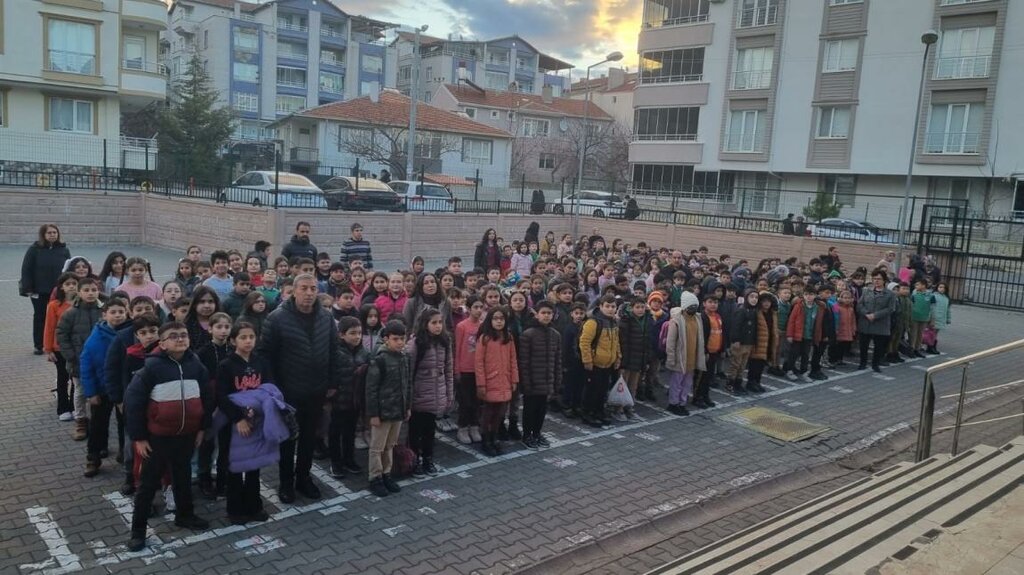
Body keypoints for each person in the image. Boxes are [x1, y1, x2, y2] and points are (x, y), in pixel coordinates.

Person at [124, 322, 212, 552]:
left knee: (182, 477)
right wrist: (139, 437)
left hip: (187, 435)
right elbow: (133, 403)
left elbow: (207, 397)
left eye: (184, 335)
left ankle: (185, 515)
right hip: (157, 438)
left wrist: (202, 427)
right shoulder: (151, 369)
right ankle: (138, 531)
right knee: (148, 484)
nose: (180, 339)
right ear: (162, 343)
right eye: (173, 336)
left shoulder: (196, 365)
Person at [257, 273, 344, 503]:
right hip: (288, 393)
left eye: (313, 288)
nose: (308, 293)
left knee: (308, 439)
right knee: (287, 440)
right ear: (294, 291)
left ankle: (303, 478)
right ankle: (286, 483)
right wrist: (274, 390)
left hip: (316, 390)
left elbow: (334, 352)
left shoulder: (326, 317)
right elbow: (265, 357)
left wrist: (333, 383)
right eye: (304, 288)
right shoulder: (276, 319)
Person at [215, 321, 277, 525]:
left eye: (251, 337)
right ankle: (235, 509)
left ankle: (254, 505)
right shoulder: (226, 365)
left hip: (256, 420)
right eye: (243, 337)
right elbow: (222, 396)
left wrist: (259, 410)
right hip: (233, 423)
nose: (248, 341)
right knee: (234, 466)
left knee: (254, 465)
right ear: (233, 340)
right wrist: (239, 417)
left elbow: (268, 388)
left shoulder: (261, 362)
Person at [80, 297, 130, 477]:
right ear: (104, 314)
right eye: (113, 312)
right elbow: (86, 365)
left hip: (124, 389)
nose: (117, 316)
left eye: (121, 312)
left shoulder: (130, 333)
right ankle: (93, 457)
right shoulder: (96, 337)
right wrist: (91, 392)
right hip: (101, 389)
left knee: (125, 423)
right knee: (98, 424)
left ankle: (125, 453)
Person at [365, 320, 412, 497]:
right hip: (382, 412)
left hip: (398, 410)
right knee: (377, 447)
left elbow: (408, 384)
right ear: (386, 339)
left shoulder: (405, 357)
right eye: (395, 339)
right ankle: (374, 477)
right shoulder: (379, 360)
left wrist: (407, 406)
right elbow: (371, 390)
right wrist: (374, 414)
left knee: (390, 445)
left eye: (402, 338)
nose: (400, 342)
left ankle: (386, 474)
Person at [406, 308, 453, 477]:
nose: (438, 326)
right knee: (415, 432)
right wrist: (408, 401)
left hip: (436, 394)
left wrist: (448, 394)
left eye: (440, 322)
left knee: (429, 431)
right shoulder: (416, 344)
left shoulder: (444, 342)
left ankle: (428, 459)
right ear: (425, 324)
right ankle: (414, 461)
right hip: (419, 396)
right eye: (434, 323)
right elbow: (408, 374)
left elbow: (448, 369)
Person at [57, 277, 104, 441]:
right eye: (86, 290)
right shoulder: (71, 313)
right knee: (80, 391)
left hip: (100, 361)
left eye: (93, 290)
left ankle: (97, 421)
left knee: (99, 391)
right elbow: (61, 335)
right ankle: (81, 421)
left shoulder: (104, 310)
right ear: (79, 292)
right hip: (78, 360)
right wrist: (70, 355)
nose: (90, 293)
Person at [474, 306, 519, 456]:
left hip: (505, 380)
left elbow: (513, 360)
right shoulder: (485, 339)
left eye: (502, 319)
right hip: (490, 381)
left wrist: (514, 379)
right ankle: (486, 439)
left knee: (500, 413)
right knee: (488, 412)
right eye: (495, 319)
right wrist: (481, 384)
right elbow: (479, 363)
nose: (499, 322)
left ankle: (494, 437)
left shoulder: (509, 337)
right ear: (490, 320)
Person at [21, 223, 71, 354]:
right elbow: (26, 269)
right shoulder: (34, 250)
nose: (52, 235)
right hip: (39, 290)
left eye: (55, 232)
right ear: (43, 235)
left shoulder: (64, 250)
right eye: (49, 233)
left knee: (59, 317)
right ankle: (39, 345)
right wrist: (28, 288)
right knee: (40, 317)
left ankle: (56, 344)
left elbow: (69, 270)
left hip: (59, 290)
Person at [328, 317, 369, 478]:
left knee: (350, 431)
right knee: (335, 432)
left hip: (355, 400)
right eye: (352, 333)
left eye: (359, 333)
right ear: (341, 335)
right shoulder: (335, 352)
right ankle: (335, 462)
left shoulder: (364, 352)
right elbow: (330, 374)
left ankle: (349, 459)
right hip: (338, 400)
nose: (357, 336)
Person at [518, 301, 561, 448]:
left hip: (547, 379)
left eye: (549, 313)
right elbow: (524, 361)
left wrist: (556, 381)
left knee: (542, 409)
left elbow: (557, 360)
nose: (546, 316)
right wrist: (526, 383)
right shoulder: (528, 334)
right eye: (543, 313)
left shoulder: (555, 335)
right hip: (532, 380)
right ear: (536, 314)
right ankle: (526, 435)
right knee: (530, 409)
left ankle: (537, 433)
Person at [579, 295, 621, 427]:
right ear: (601, 307)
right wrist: (587, 360)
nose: (610, 309)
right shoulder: (593, 322)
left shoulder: (613, 322)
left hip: (607, 363)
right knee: (592, 390)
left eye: (613, 306)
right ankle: (587, 413)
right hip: (595, 363)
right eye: (607, 306)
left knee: (602, 390)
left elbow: (616, 342)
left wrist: (618, 357)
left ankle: (599, 411)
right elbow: (584, 342)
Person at [665, 291, 706, 415]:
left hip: (692, 357)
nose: (693, 309)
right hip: (680, 358)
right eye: (691, 306)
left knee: (687, 383)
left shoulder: (697, 319)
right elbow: (670, 342)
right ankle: (673, 403)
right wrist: (671, 358)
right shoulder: (676, 321)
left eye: (695, 306)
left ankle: (682, 403)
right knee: (676, 382)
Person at [44, 273, 79, 421]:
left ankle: (74, 406)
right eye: (68, 284)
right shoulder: (54, 305)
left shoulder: (81, 304)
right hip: (60, 349)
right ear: (62, 287)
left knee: (75, 378)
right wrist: (48, 349)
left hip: (78, 347)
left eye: (74, 283)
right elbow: (49, 327)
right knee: (63, 377)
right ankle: (63, 408)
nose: (71, 286)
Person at [454, 296, 485, 444]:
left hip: (478, 370)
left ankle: (474, 426)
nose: (478, 310)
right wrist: (457, 369)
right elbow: (458, 348)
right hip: (465, 369)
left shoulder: (483, 326)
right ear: (469, 308)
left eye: (481, 307)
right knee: (465, 401)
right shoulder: (462, 326)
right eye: (475, 307)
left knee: (477, 401)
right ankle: (462, 428)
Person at [618, 296, 651, 420]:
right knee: (623, 384)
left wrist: (646, 359)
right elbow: (623, 342)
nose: (640, 310)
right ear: (631, 308)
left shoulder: (647, 319)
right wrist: (623, 360)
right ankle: (619, 409)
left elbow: (647, 341)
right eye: (637, 307)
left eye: (642, 307)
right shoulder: (626, 320)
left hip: (639, 357)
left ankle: (629, 407)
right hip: (627, 358)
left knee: (633, 385)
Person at [857, 271, 896, 373]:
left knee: (878, 346)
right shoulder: (866, 291)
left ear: (884, 280)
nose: (876, 281)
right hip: (866, 322)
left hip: (880, 323)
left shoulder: (890, 294)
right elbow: (860, 305)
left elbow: (890, 308)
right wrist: (866, 313)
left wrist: (875, 315)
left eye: (879, 279)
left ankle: (875, 364)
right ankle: (863, 363)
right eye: (874, 279)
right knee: (863, 345)